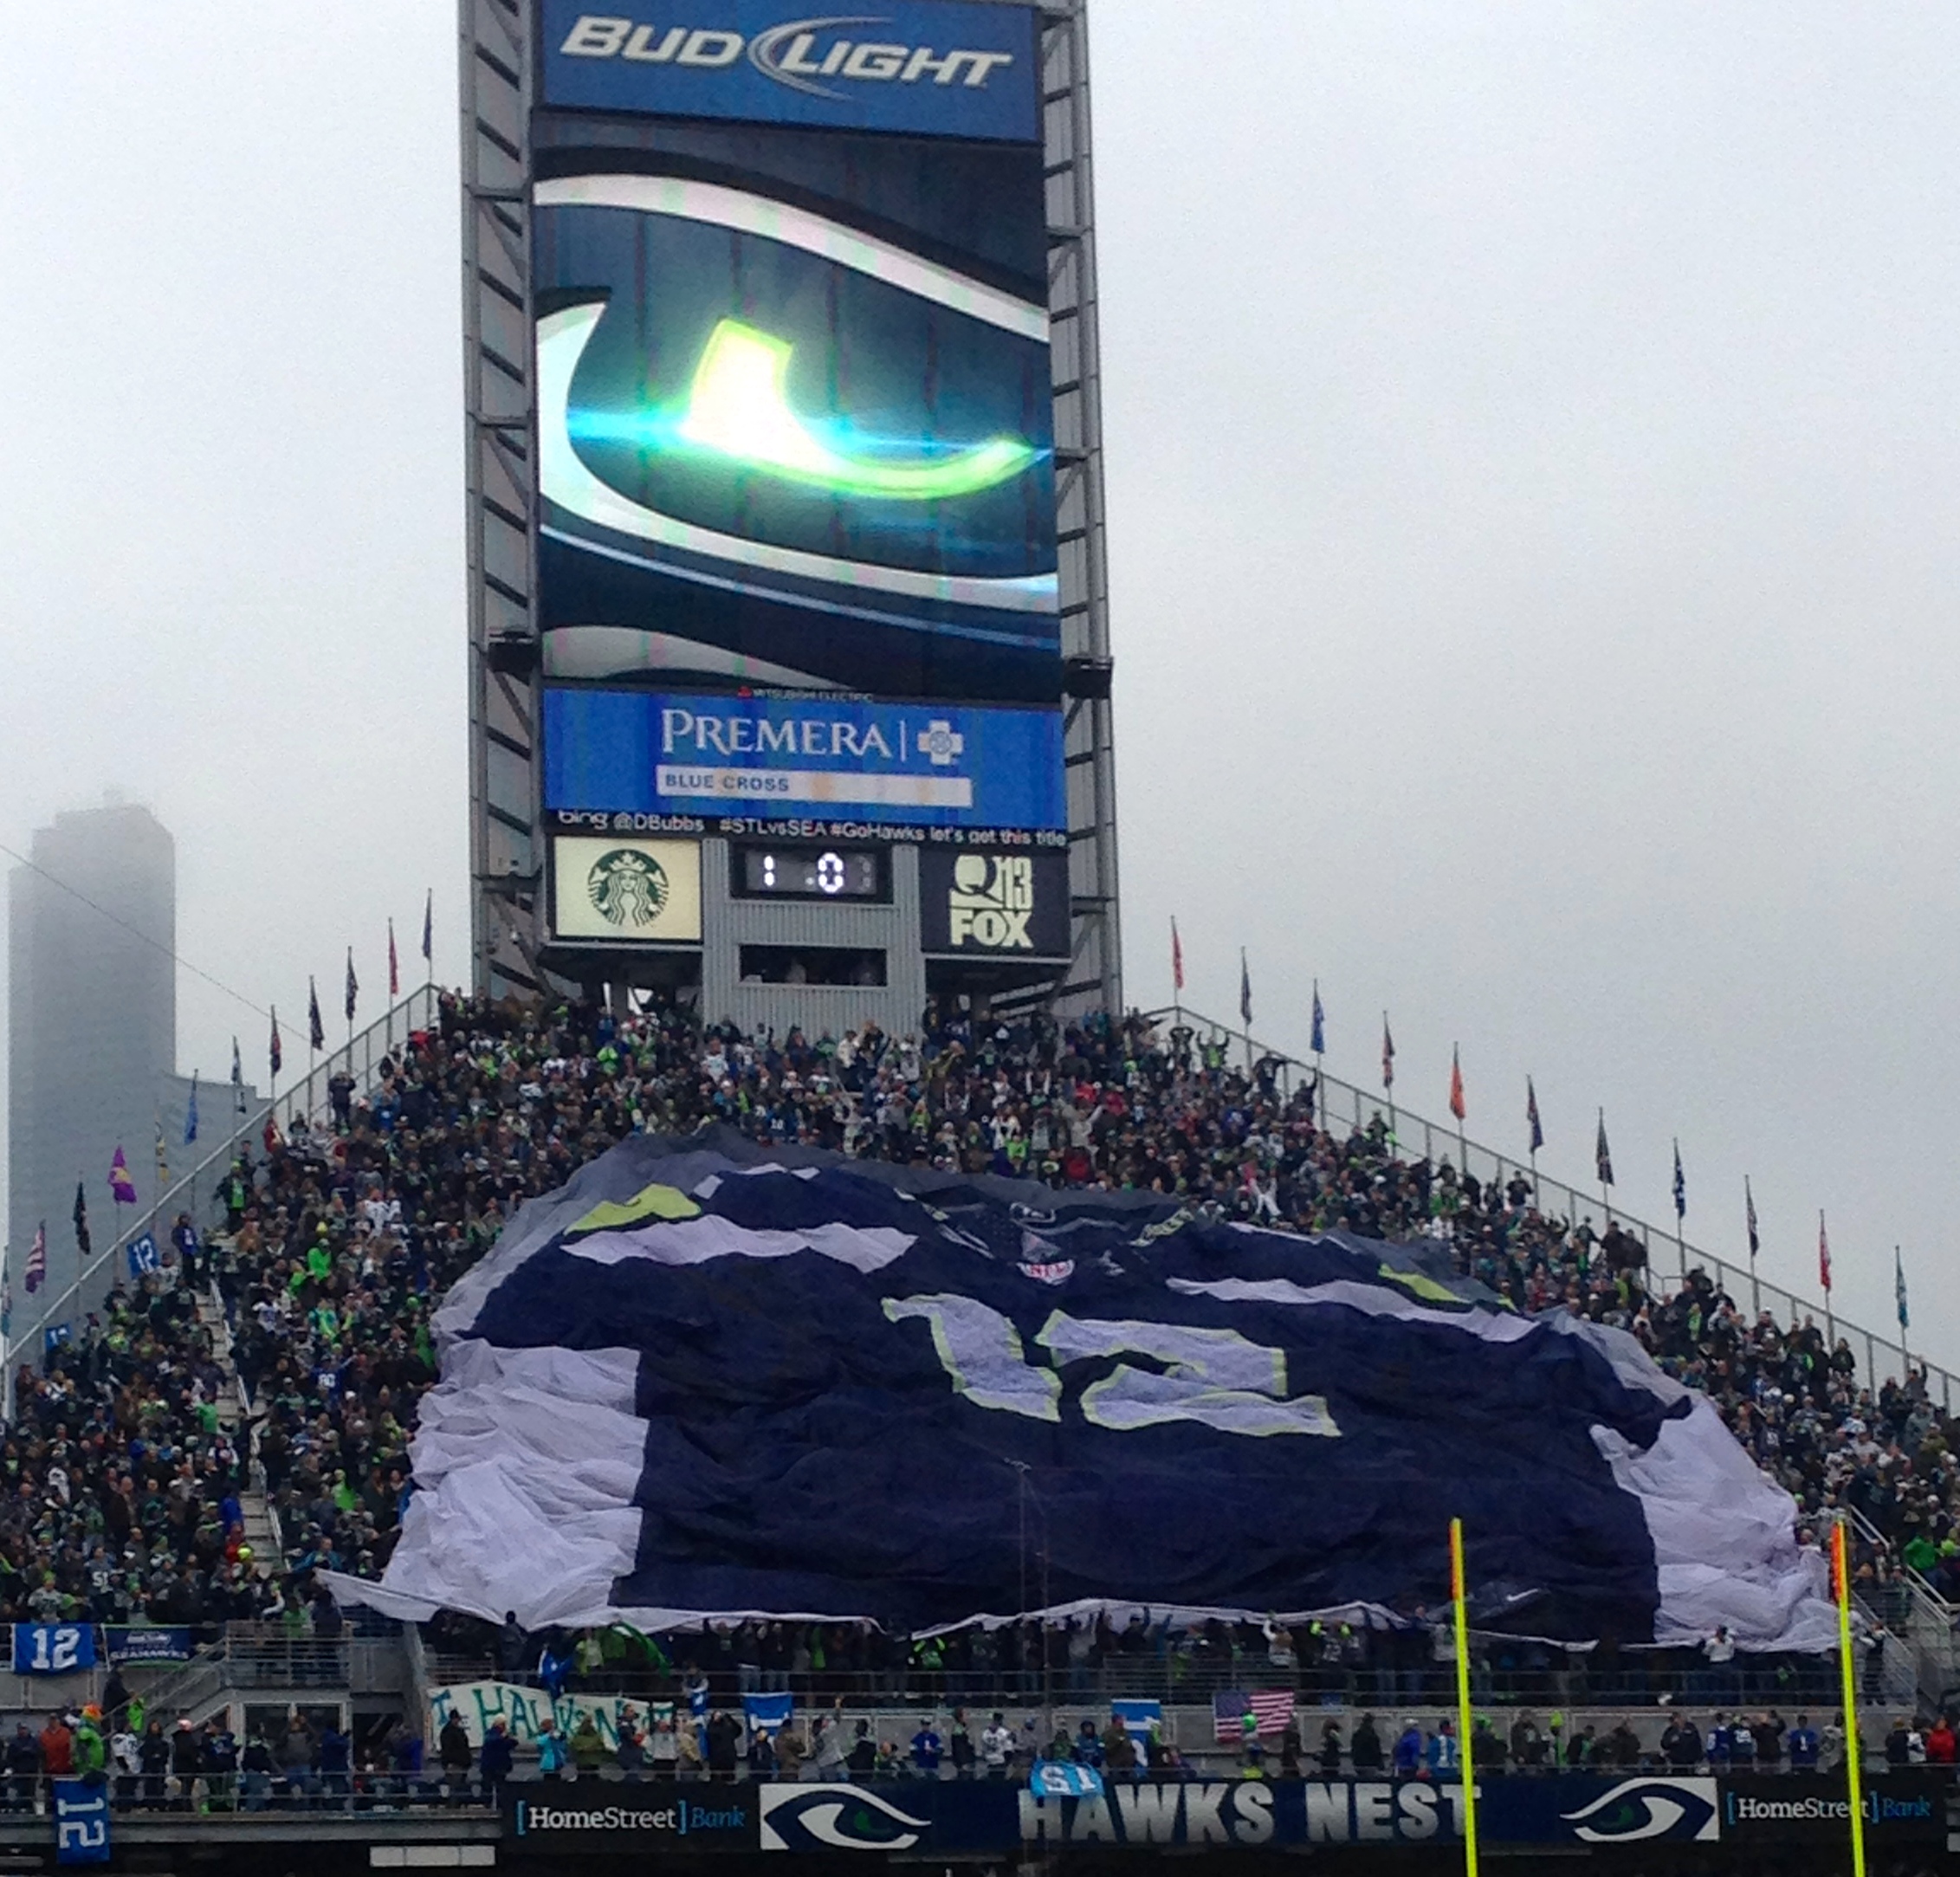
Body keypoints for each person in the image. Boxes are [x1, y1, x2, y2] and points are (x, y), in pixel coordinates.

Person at [438, 1712, 473, 1800]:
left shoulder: (449, 1731)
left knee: (457, 1786)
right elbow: (448, 1749)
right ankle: (453, 1805)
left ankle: (455, 1804)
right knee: (455, 1786)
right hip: (455, 1763)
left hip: (459, 1762)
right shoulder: (450, 1732)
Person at [479, 1721, 514, 1804]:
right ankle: (488, 1804)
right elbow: (491, 1740)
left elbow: (513, 1743)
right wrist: (502, 1737)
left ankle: (497, 1804)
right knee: (488, 1787)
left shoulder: (501, 1738)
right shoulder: (490, 1735)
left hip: (499, 1766)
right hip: (490, 1766)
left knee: (499, 1787)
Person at [981, 1713, 1013, 1780]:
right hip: (1000, 1761)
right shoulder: (1004, 1732)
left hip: (989, 1761)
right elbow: (1009, 1749)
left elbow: (983, 1749)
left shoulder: (985, 1733)